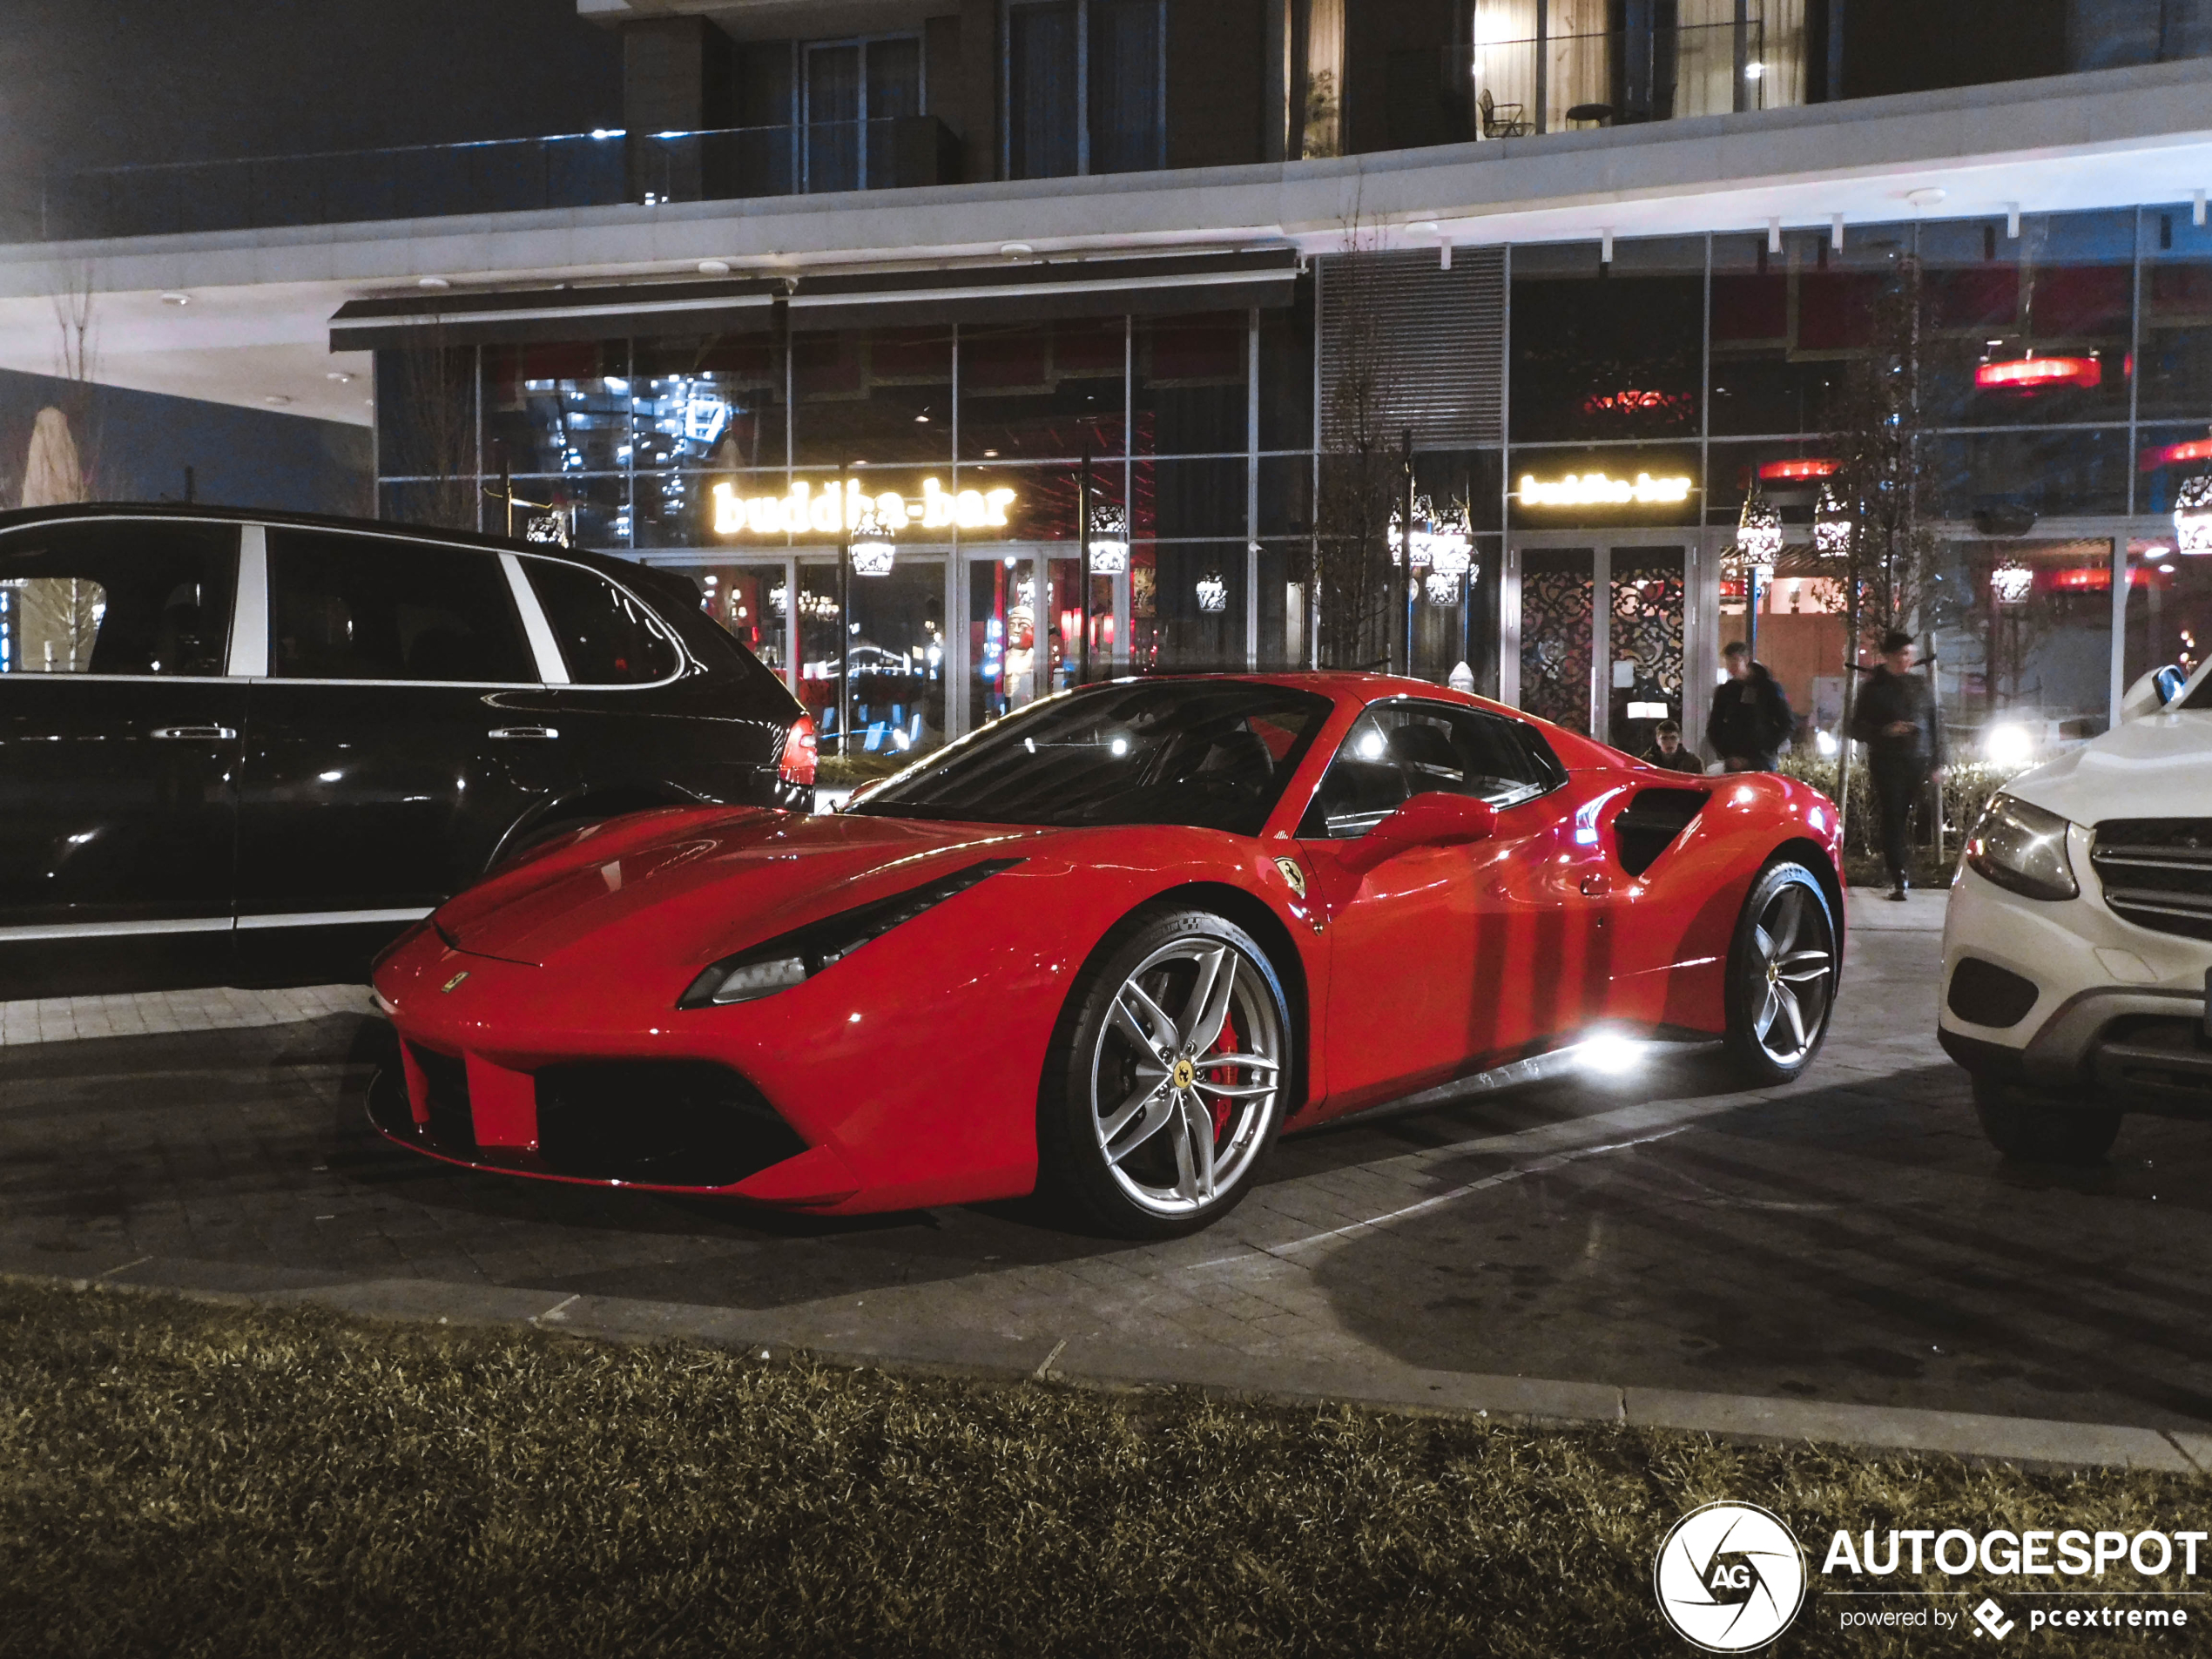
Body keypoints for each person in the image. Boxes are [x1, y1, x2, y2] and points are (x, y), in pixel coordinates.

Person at [1850, 629, 1946, 900]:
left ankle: (1912, 864)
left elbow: (1937, 723)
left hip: (1920, 758)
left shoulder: (1920, 686)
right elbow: (1855, 726)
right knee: (1893, 816)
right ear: (1890, 656)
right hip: (1888, 762)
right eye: (1904, 654)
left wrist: (1940, 762)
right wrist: (1884, 731)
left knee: (1918, 818)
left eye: (1911, 655)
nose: (1908, 660)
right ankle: (1898, 874)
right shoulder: (1873, 689)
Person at [1704, 641, 1794, 771]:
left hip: (1761, 760)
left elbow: (1787, 723)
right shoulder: (1726, 691)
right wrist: (1726, 754)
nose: (1731, 666)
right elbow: (1714, 726)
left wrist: (1767, 748)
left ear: (1746, 660)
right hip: (1733, 760)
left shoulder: (1768, 688)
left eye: (1735, 660)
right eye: (1728, 661)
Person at [1641, 719, 1707, 773]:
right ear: (1658, 741)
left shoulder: (1692, 762)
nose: (1669, 742)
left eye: (1673, 738)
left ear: (1679, 740)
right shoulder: (1646, 762)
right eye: (1664, 738)